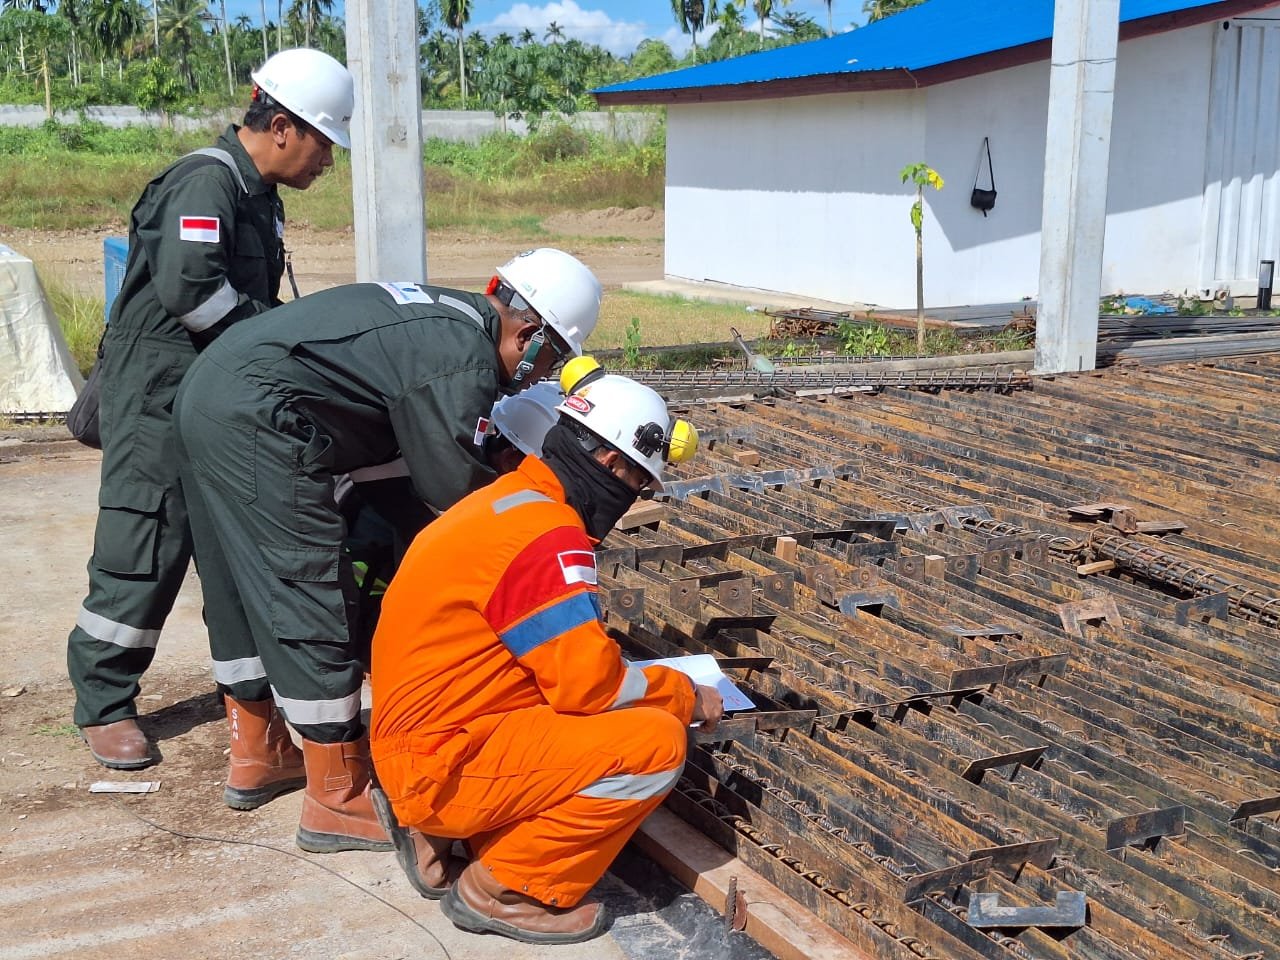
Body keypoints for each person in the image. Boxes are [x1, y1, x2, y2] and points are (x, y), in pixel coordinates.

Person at [173, 248, 602, 854]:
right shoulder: (462, 360)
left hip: (213, 396)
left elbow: (393, 463)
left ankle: (258, 749)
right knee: (307, 586)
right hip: (258, 419)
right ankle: (337, 798)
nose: (538, 376)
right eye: (552, 357)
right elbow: (456, 494)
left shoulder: (444, 317)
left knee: (238, 582)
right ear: (529, 334)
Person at [67, 47, 355, 771]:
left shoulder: (258, 196)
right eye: (325, 141)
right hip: (161, 392)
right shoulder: (206, 182)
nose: (328, 160)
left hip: (218, 394)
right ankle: (102, 702)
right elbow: (196, 295)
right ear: (283, 127)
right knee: (146, 542)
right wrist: (280, 343)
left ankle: (253, 707)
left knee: (231, 548)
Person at [368, 366, 723, 945]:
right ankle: (503, 887)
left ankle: (435, 835)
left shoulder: (502, 501)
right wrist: (684, 693)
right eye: (637, 485)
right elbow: (591, 689)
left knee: (553, 694)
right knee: (653, 743)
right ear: (613, 466)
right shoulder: (549, 534)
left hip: (419, 740)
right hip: (441, 765)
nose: (630, 501)